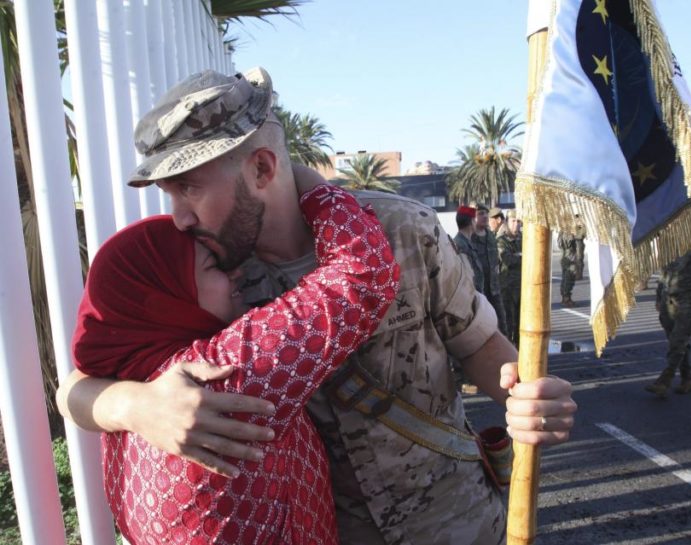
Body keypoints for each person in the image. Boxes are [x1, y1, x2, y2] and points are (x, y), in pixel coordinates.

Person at [58, 67, 577, 545]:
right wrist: (137, 406)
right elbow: (75, 388)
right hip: (330, 531)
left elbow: (479, 342)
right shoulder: (206, 276)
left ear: (262, 168)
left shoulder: (399, 229)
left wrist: (525, 397)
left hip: (454, 521)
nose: (179, 218)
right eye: (169, 195)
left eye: (188, 189)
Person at [68, 184, 399, 544]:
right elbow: (363, 274)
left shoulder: (130, 400)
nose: (237, 273)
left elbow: (73, 389)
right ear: (160, 301)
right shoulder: (219, 374)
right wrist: (312, 189)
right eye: (214, 266)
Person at [645, 242, 691, 397]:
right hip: (668, 299)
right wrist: (658, 297)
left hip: (688, 301)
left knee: (678, 341)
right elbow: (664, 275)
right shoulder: (670, 243)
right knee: (677, 341)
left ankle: (664, 381)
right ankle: (687, 378)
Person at [472, 205, 509, 337]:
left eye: (485, 213)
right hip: (478, 292)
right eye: (480, 214)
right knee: (481, 328)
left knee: (501, 324)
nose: (484, 216)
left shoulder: (491, 237)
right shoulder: (468, 238)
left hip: (494, 289)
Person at [493, 208, 523, 347]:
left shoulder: (524, 239)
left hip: (522, 287)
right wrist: (522, 256)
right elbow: (508, 259)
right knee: (508, 321)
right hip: (507, 287)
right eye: (513, 221)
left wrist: (518, 256)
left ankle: (519, 347)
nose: (516, 224)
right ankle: (509, 349)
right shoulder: (501, 240)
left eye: (518, 221)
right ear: (506, 222)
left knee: (521, 320)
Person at [453, 205, 484, 293]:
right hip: (469, 294)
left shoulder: (467, 242)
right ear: (471, 222)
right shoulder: (460, 244)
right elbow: (466, 275)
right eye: (474, 220)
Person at [557, 230, 579, 308]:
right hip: (568, 255)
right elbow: (567, 242)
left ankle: (566, 297)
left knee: (567, 277)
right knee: (569, 276)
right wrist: (573, 235)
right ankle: (566, 298)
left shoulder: (563, 230)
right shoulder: (566, 231)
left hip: (568, 255)